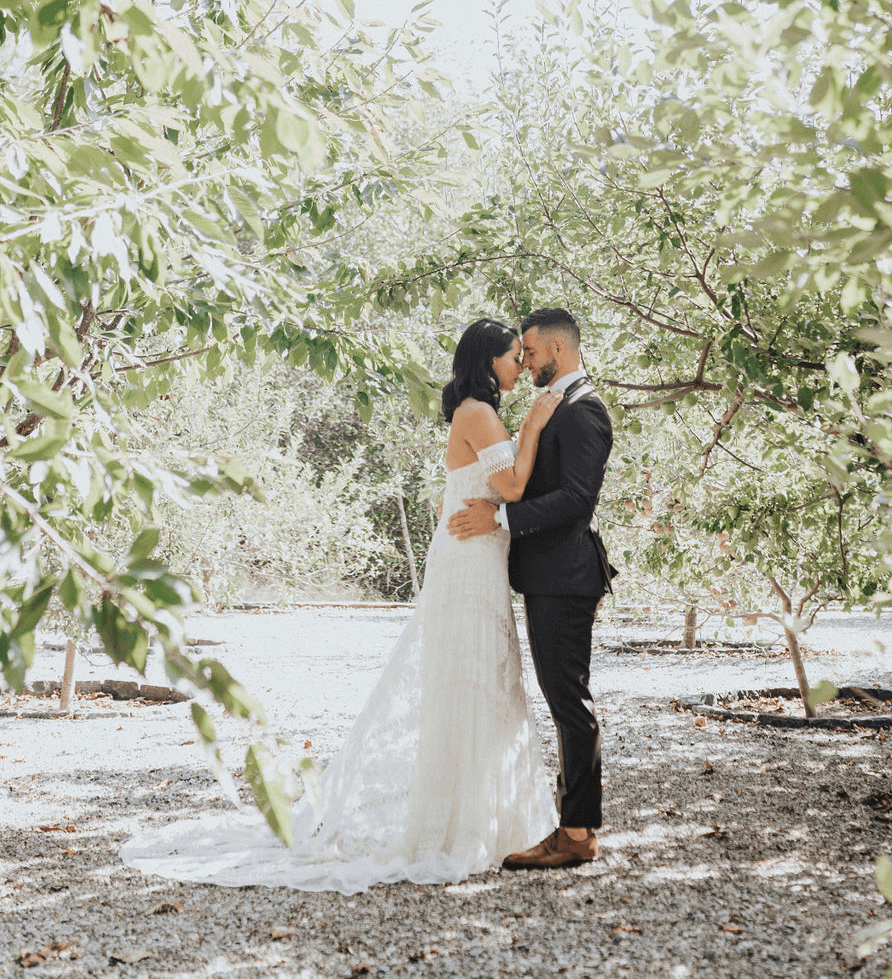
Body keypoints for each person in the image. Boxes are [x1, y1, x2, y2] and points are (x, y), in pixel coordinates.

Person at [120, 318, 562, 893]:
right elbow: (511, 489)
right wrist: (532, 428)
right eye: (512, 356)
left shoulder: (479, 412)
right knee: (470, 680)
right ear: (487, 363)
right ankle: (457, 829)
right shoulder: (480, 411)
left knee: (479, 680)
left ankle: (478, 820)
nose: (520, 365)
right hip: (470, 564)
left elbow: (464, 492)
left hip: (477, 557)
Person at [448, 306, 615, 870]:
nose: (527, 361)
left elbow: (576, 500)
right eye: (520, 354)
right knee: (563, 698)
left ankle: (577, 833)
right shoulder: (556, 408)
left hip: (567, 576)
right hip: (548, 575)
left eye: (533, 352)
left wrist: (498, 521)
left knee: (570, 702)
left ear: (559, 352)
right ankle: (573, 825)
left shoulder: (584, 410)